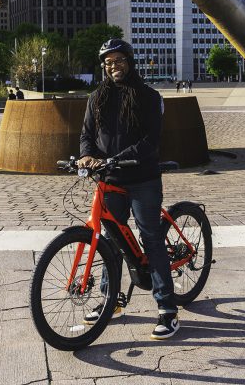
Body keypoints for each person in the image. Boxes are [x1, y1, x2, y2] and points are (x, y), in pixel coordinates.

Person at [78, 38, 179, 340]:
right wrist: (86, 155)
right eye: (108, 62)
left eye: (119, 60)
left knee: (150, 238)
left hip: (142, 178)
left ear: (130, 62)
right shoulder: (97, 97)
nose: (113, 66)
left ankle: (168, 310)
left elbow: (151, 141)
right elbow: (86, 134)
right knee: (113, 240)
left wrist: (115, 158)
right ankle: (112, 301)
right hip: (111, 179)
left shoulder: (148, 96)